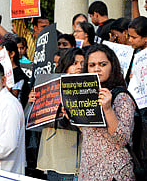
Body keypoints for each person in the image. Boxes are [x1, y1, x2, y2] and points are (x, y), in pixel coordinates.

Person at [77, 44, 135, 180]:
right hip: (88, 171)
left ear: (112, 66)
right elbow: (89, 132)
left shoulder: (121, 97)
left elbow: (123, 139)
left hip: (114, 173)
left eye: (102, 64)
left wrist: (108, 109)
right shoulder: (86, 94)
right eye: (91, 65)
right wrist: (73, 116)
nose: (96, 69)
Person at [30, 48, 84, 181]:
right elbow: (33, 124)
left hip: (73, 161)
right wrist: (33, 104)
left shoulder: (88, 90)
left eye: (83, 63)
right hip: (52, 159)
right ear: (65, 65)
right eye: (74, 63)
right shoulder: (49, 86)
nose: (79, 67)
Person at [0, 40, 30, 108]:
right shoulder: (1, 73)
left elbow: (15, 97)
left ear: (12, 54)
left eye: (3, 53)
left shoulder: (18, 75)